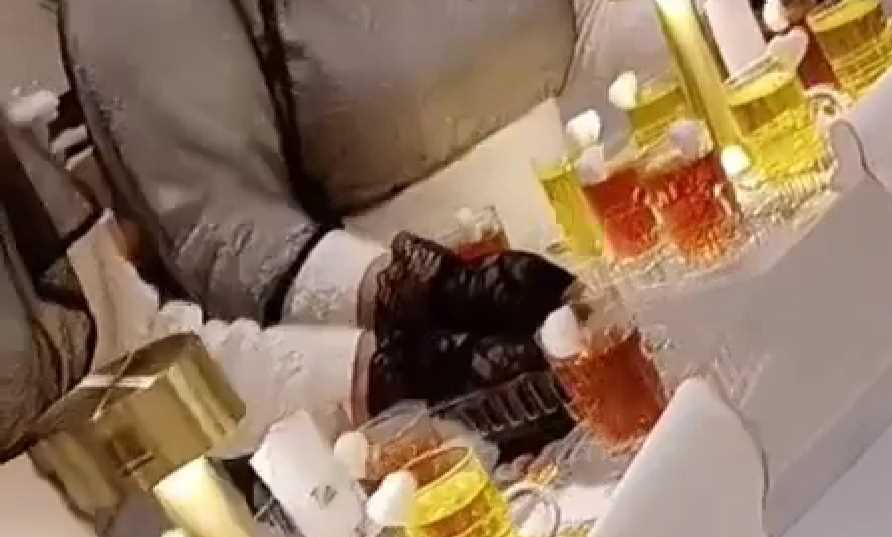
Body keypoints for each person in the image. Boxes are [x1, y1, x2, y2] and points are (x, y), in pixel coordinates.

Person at [59, 0, 586, 420]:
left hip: (602, 238)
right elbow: (230, 238)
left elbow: (578, 27)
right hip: (442, 384)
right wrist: (434, 302)